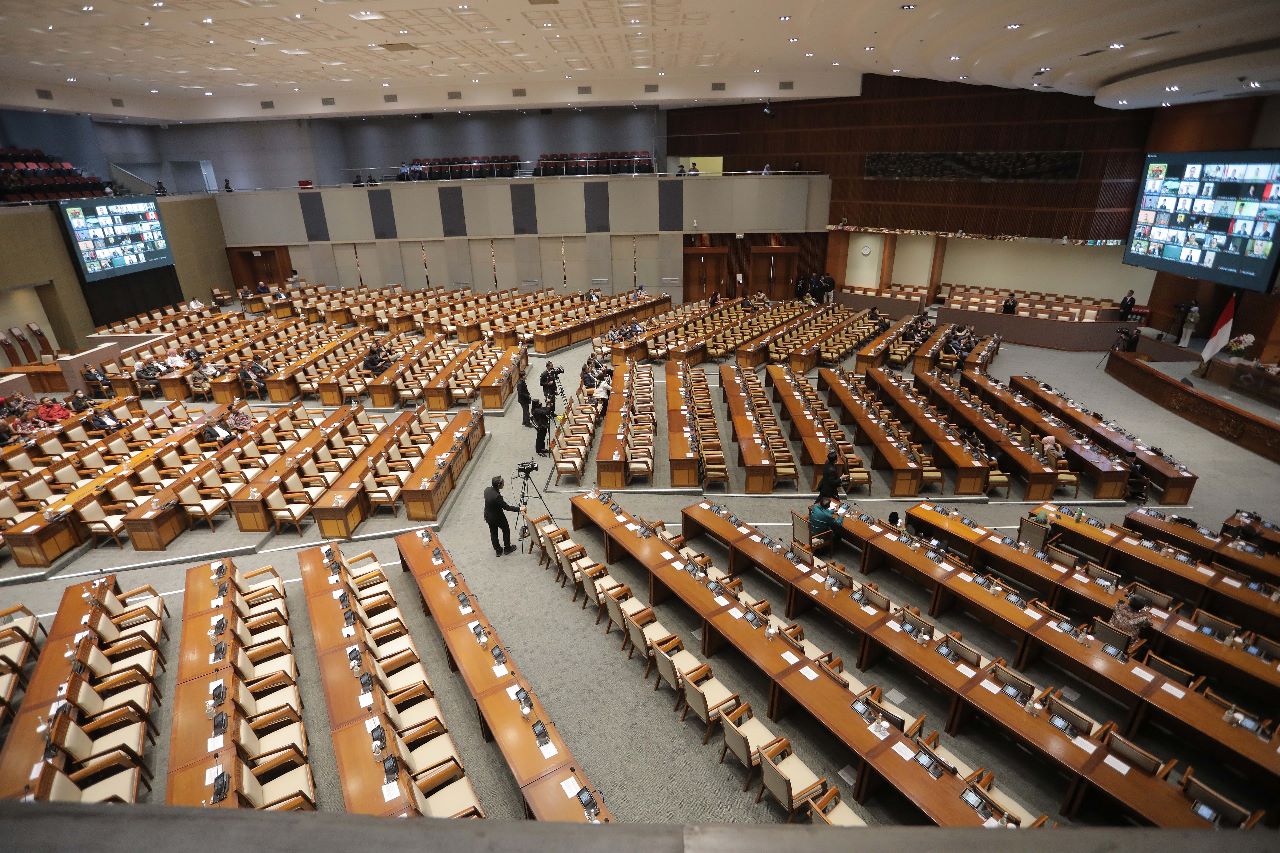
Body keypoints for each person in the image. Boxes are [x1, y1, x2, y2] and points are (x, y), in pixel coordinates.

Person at [483, 476, 522, 558]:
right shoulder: (497, 497)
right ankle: (507, 548)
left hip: (488, 516)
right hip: (498, 517)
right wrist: (519, 509)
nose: (504, 483)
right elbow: (507, 507)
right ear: (498, 485)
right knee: (506, 530)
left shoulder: (487, 490)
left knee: (493, 532)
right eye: (502, 483)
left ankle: (498, 550)